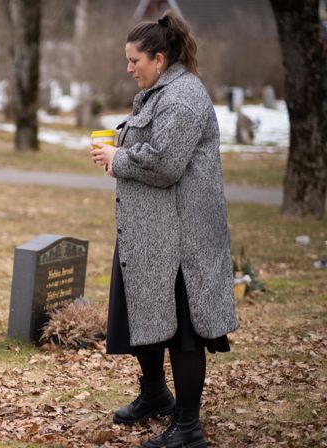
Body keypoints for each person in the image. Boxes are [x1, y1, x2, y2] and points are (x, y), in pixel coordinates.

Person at [90, 10, 239, 448]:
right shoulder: (159, 92)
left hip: (181, 241)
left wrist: (119, 160)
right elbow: (154, 147)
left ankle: (189, 427)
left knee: (183, 332)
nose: (129, 68)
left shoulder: (182, 97)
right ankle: (155, 395)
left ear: (158, 58)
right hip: (149, 234)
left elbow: (167, 163)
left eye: (134, 60)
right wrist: (120, 150)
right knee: (144, 313)